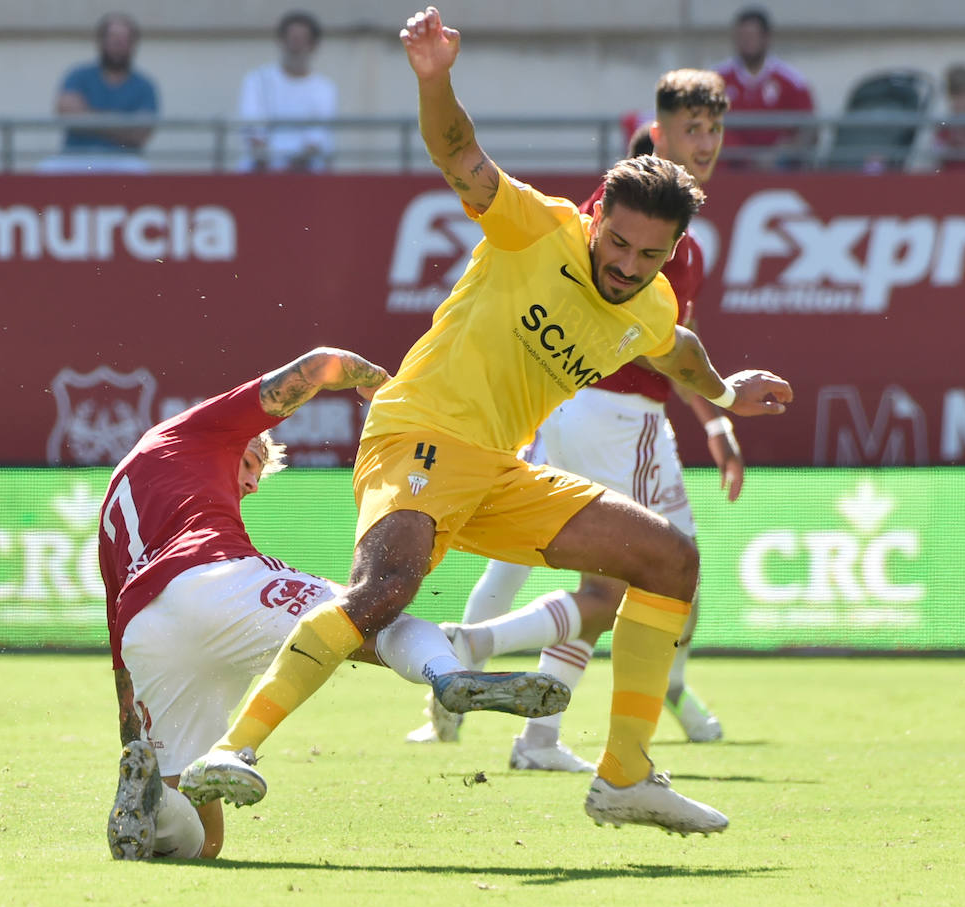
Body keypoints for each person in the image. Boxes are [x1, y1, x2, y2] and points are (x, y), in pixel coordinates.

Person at [180, 7, 793, 837]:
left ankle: (623, 776)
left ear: (672, 251)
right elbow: (459, 154)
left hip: (500, 470)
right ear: (596, 215)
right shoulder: (534, 225)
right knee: (383, 591)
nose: (624, 265)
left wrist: (722, 398)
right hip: (418, 431)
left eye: (649, 256)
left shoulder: (647, 302)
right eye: (616, 243)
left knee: (669, 560)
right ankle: (233, 752)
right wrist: (435, 78)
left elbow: (675, 349)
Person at [101, 346, 568, 860]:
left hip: (145, 630)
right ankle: (448, 673)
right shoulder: (194, 431)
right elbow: (322, 363)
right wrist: (384, 389)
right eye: (252, 463)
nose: (254, 483)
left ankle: (151, 802)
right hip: (210, 580)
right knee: (372, 614)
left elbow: (121, 644)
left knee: (202, 841)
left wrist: (135, 743)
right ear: (239, 441)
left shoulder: (119, 495)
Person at [408, 70, 742, 770]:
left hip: (573, 407)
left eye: (715, 130)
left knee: (555, 563)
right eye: (691, 129)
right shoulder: (619, 213)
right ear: (658, 131)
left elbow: (674, 345)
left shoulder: (672, 233)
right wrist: (723, 405)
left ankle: (534, 729)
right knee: (638, 578)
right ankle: (476, 655)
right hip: (615, 415)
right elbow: (647, 339)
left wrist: (718, 417)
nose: (705, 143)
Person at [40, 12, 159, 174]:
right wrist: (122, 123)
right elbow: (67, 112)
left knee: (141, 170)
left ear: (133, 45)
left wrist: (89, 118)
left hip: (122, 160)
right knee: (46, 169)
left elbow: (140, 133)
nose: (118, 44)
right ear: (101, 41)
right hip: (76, 158)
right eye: (113, 38)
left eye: (124, 40)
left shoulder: (145, 85)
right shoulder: (78, 75)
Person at [236, 10, 339, 172]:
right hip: (260, 173)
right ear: (281, 41)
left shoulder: (324, 88)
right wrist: (271, 168)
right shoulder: (257, 80)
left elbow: (316, 140)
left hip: (307, 176)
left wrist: (290, 172)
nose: (295, 46)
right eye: (291, 38)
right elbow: (253, 132)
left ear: (313, 45)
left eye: (301, 39)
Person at [715, 6, 815, 170]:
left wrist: (779, 153)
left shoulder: (791, 81)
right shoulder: (716, 79)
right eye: (741, 36)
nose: (746, 42)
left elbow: (809, 130)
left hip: (779, 169)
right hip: (730, 169)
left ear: (766, 38)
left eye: (751, 36)